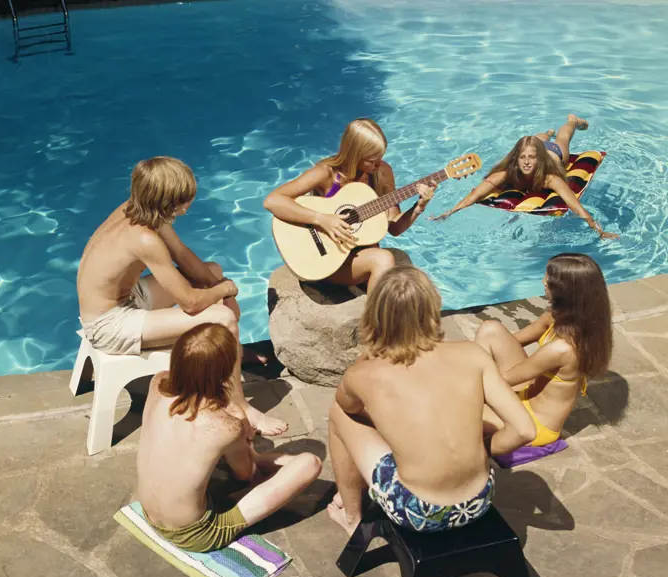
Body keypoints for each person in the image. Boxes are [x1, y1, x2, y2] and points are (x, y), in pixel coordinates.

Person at [77, 156, 286, 435]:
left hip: (124, 299)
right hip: (108, 324)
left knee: (212, 271)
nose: (187, 207)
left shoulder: (137, 209)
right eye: (184, 200)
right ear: (167, 201)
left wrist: (215, 280)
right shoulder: (143, 239)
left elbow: (182, 255)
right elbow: (189, 302)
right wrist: (225, 290)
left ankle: (230, 351)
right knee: (223, 318)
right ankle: (241, 407)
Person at [325, 265, 536, 536]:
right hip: (479, 500)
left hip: (417, 510)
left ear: (375, 315)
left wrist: (367, 360)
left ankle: (352, 517)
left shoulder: (362, 375)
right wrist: (480, 451)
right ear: (433, 308)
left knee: (339, 415)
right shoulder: (472, 354)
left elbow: (349, 407)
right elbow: (524, 430)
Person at [137, 322, 322, 552]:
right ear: (225, 372)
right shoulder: (223, 427)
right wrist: (243, 433)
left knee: (222, 452)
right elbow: (246, 474)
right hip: (195, 534)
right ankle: (274, 460)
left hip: (149, 512)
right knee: (309, 464)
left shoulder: (158, 382)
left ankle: (266, 457)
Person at [263, 118, 438, 292]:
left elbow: (394, 227)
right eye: (372, 159)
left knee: (406, 279)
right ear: (355, 154)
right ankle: (375, 319)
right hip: (326, 259)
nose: (379, 164)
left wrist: (418, 207)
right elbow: (273, 200)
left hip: (360, 255)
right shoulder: (326, 172)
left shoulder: (382, 172)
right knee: (383, 260)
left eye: (381, 157)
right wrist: (321, 219)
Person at [474, 253, 612, 448]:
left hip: (534, 423)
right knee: (491, 330)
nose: (543, 282)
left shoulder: (562, 349)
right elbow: (512, 341)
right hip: (528, 391)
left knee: (458, 411)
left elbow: (501, 380)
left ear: (563, 291)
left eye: (548, 280)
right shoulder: (559, 318)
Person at [431, 115, 620, 240]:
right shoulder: (506, 174)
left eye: (531, 158)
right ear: (516, 158)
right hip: (540, 147)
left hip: (555, 156)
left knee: (563, 138)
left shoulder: (550, 178)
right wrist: (450, 212)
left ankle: (572, 121)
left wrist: (599, 230)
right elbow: (475, 195)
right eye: (522, 157)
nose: (527, 162)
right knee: (537, 139)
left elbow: (576, 206)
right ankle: (547, 133)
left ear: (538, 159)